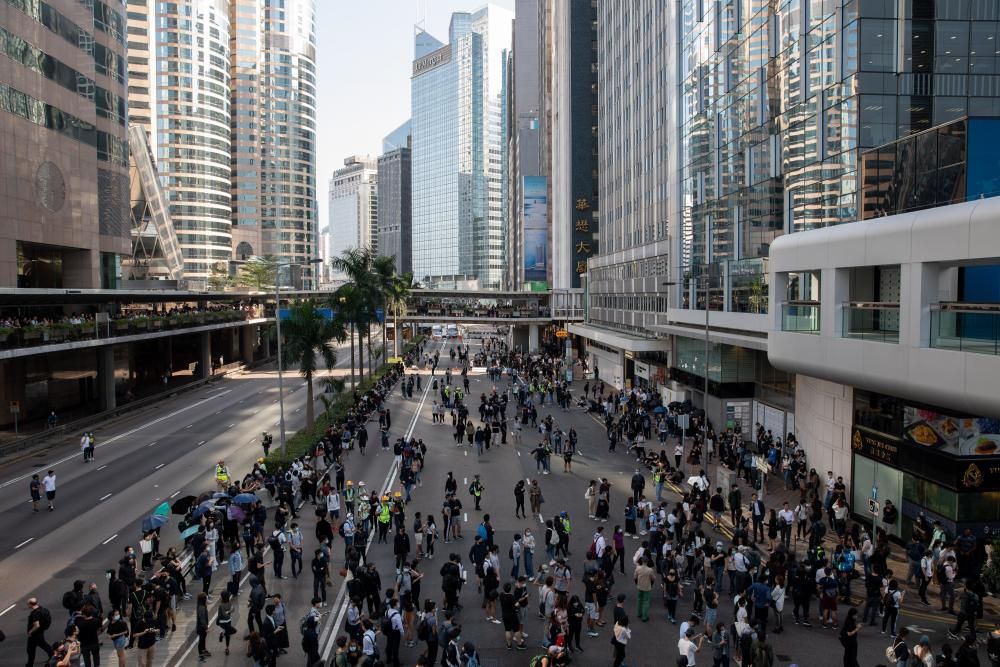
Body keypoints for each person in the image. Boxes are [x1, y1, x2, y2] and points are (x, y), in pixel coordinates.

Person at [26, 597, 53, 667]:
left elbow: (37, 625)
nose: (27, 605)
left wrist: (30, 632)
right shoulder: (42, 609)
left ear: (30, 604)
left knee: (31, 650)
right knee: (42, 645)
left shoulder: (35, 613)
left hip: (35, 634)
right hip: (40, 632)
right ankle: (52, 655)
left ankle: (29, 664)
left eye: (27, 603)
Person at [217, 589, 236, 655]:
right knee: (231, 632)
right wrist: (229, 611)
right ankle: (227, 648)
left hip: (228, 621)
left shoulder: (229, 603)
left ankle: (222, 635)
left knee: (228, 633)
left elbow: (233, 609)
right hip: (223, 622)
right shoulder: (221, 605)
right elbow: (224, 615)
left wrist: (229, 611)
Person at [195, 592, 210, 661]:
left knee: (203, 639)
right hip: (201, 627)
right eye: (206, 598)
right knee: (201, 640)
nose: (207, 599)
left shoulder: (201, 606)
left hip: (202, 626)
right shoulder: (201, 608)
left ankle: (203, 650)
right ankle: (200, 654)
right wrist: (206, 627)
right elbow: (202, 619)